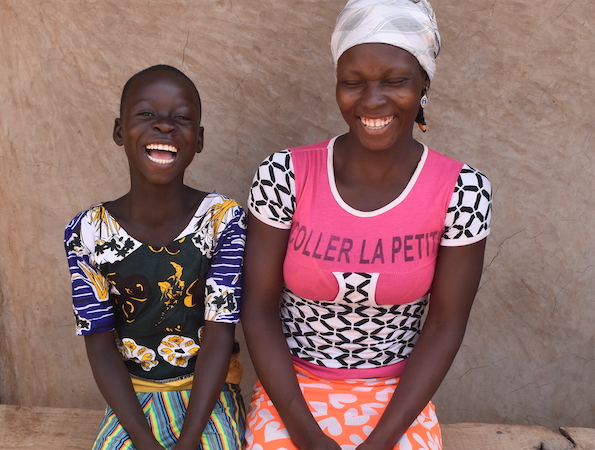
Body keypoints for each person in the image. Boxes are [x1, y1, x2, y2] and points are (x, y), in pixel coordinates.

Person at [241, 1, 492, 449]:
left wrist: (381, 442)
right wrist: (307, 436)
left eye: (395, 81)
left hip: (399, 398)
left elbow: (444, 326)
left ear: (423, 85)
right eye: (353, 83)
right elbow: (258, 311)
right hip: (293, 392)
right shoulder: (284, 176)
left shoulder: (463, 191)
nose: (372, 101)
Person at [64, 65, 246, 450]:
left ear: (198, 139)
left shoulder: (223, 220)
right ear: (119, 131)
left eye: (180, 118)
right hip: (133, 402)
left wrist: (190, 439)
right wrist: (143, 440)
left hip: (209, 395)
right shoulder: (87, 233)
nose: (164, 126)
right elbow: (99, 342)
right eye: (146, 114)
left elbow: (219, 334)